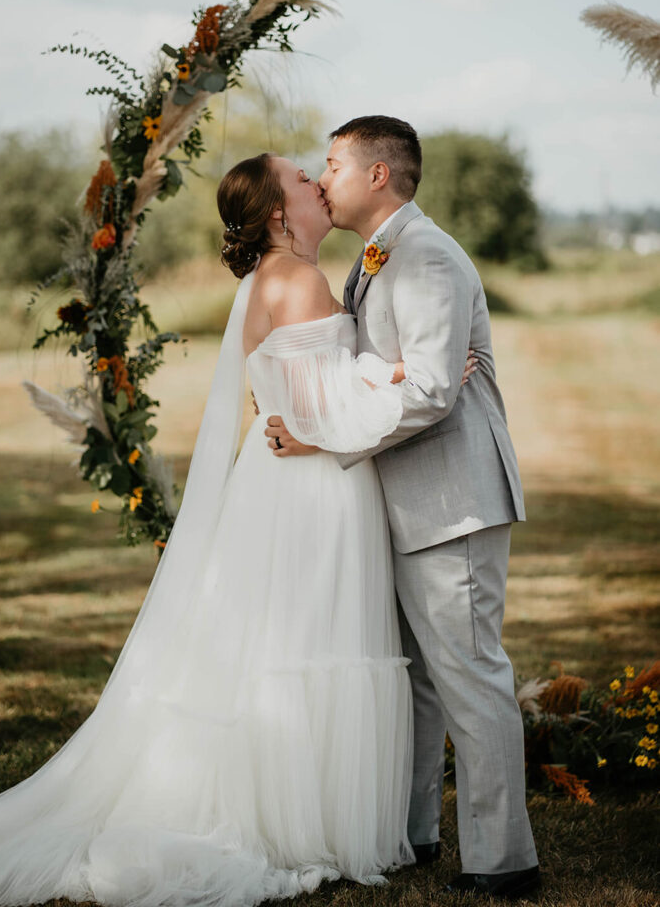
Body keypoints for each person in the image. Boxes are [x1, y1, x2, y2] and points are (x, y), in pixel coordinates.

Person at [0, 151, 474, 907]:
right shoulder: (297, 278)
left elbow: (311, 392)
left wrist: (387, 377)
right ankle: (301, 822)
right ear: (280, 212)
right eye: (305, 180)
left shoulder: (266, 280)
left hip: (282, 483)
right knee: (313, 641)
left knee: (281, 642)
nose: (317, 183)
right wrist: (413, 378)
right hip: (316, 489)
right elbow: (329, 410)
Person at [265, 117, 541, 900]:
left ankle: (501, 859)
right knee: (417, 681)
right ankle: (413, 833)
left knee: (469, 675)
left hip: (451, 498)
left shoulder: (424, 256)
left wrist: (319, 438)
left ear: (377, 174)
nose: (322, 180)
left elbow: (425, 392)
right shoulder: (376, 255)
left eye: (332, 165)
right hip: (404, 498)